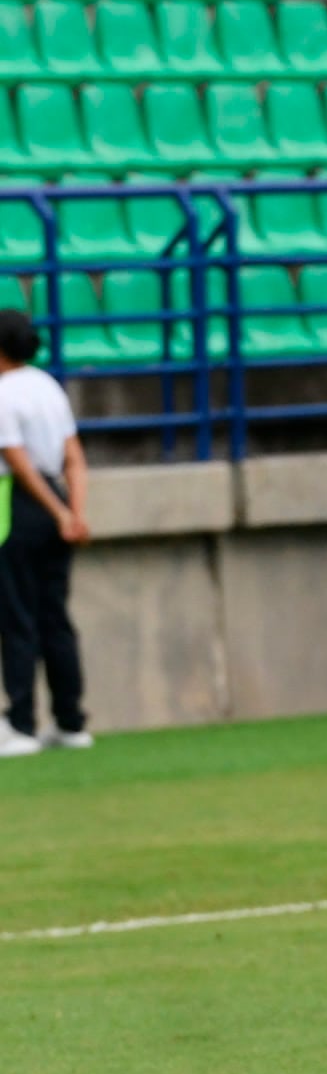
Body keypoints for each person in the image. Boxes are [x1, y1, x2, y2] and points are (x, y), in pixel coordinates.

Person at [0, 307, 88, 757]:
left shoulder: (3, 394)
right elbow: (73, 454)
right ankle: (71, 720)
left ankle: (20, 725)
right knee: (54, 613)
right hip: (57, 501)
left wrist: (54, 511)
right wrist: (75, 511)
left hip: (18, 505)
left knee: (18, 615)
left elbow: (18, 463)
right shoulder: (48, 386)